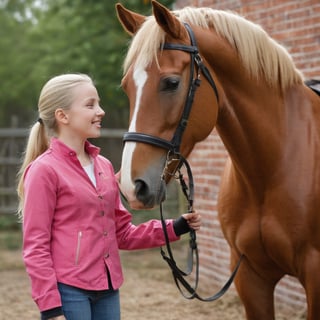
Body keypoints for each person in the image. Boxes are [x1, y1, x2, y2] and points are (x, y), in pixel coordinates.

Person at [16, 73, 201, 320]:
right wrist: (50, 308)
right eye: (90, 105)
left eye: (99, 103)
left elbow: (121, 233)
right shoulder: (44, 170)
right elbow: (35, 246)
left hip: (108, 288)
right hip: (68, 291)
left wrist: (175, 227)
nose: (101, 111)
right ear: (63, 116)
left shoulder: (102, 165)